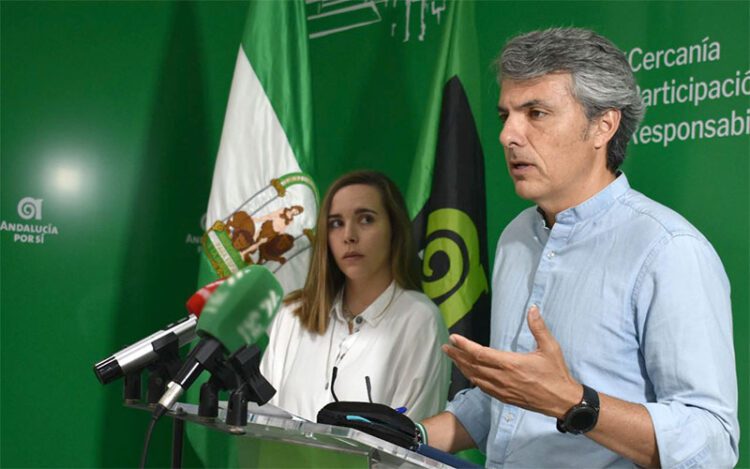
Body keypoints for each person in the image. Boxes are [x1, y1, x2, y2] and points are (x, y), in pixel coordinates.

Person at [422, 28, 739, 468]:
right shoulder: (516, 238)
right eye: (505, 116)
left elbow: (712, 445)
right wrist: (412, 433)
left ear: (603, 126)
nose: (508, 136)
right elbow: (510, 407)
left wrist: (576, 402)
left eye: (535, 113)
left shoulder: (668, 250)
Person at [260, 170, 451, 422]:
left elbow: (408, 448)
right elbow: (264, 425)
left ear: (394, 230)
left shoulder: (418, 319)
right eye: (336, 223)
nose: (349, 235)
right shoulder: (292, 314)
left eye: (366, 219)